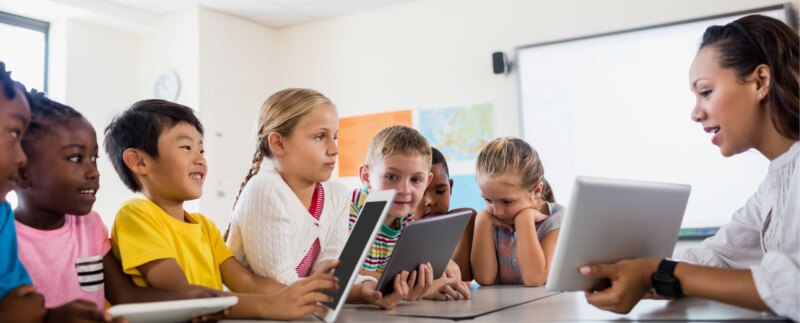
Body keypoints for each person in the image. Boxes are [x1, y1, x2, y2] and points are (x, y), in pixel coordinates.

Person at [579, 15, 799, 322]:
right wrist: (640, 273)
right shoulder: (777, 181)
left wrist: (657, 272)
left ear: (760, 82)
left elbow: (794, 288)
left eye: (706, 92)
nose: (696, 113)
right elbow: (718, 256)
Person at [104, 99, 339, 320]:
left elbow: (248, 283)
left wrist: (299, 294)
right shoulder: (135, 215)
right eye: (186, 147)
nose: (200, 159)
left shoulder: (204, 227)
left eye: (201, 150)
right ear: (139, 161)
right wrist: (268, 305)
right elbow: (183, 294)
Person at [351, 125, 470, 305]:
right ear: (366, 177)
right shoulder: (358, 210)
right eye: (391, 176)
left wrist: (438, 266)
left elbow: (399, 270)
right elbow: (348, 275)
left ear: (427, 181)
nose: (405, 190)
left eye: (416, 179)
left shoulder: (406, 219)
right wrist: (423, 287)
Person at [471, 137, 563, 287]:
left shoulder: (556, 220)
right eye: (488, 200)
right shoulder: (489, 220)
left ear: (536, 191)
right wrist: (482, 219)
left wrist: (524, 220)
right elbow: (485, 279)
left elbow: (535, 278)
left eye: (507, 202)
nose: (498, 211)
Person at [413, 147, 477, 282]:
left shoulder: (466, 220)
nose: (431, 201)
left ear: (451, 187)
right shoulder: (394, 231)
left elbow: (461, 279)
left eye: (441, 191)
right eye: (422, 192)